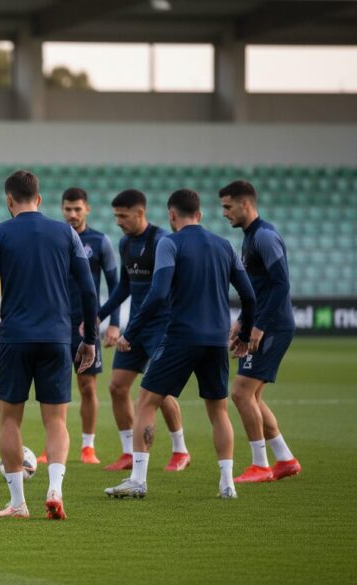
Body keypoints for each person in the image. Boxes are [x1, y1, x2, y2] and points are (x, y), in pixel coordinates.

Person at [0, 170, 98, 520]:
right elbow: (89, 290)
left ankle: (19, 503)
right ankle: (55, 489)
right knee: (56, 421)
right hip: (57, 338)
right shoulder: (66, 232)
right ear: (39, 199)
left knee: (9, 420)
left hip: (15, 338)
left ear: (9, 201)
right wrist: (90, 340)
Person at [104, 189, 255, 500]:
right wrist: (244, 332)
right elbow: (250, 296)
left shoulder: (169, 243)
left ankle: (138, 479)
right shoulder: (225, 245)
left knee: (146, 400)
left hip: (181, 336)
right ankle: (227, 483)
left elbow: (157, 294)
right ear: (199, 214)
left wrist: (131, 332)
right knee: (218, 410)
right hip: (215, 339)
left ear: (172, 215)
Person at [95, 190, 189, 472]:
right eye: (116, 216)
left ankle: (180, 450)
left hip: (161, 325)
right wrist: (97, 316)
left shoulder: (161, 241)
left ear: (140, 213)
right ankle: (127, 452)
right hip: (134, 328)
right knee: (117, 386)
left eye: (123, 216)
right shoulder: (125, 244)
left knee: (158, 390)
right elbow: (125, 287)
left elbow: (169, 288)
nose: (119, 221)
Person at [219, 180, 302, 483]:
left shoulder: (264, 237)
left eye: (228, 207)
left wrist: (259, 326)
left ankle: (260, 465)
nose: (224, 213)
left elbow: (281, 284)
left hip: (273, 326)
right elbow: (259, 289)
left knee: (241, 393)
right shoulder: (251, 237)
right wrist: (242, 320)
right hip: (263, 323)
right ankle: (285, 459)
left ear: (245, 204)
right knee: (252, 397)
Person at [41, 188, 120, 466]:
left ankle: (88, 446)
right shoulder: (55, 238)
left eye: (77, 209)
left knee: (87, 386)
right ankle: (50, 446)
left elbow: (115, 287)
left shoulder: (100, 242)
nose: (72, 214)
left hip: (86, 326)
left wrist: (114, 325)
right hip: (56, 325)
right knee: (52, 386)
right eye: (67, 209)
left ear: (87, 209)